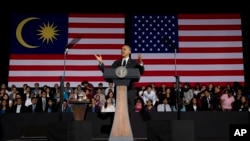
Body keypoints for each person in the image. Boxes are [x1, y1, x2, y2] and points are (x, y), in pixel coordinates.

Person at [94, 45, 145, 113]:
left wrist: (140, 63)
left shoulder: (134, 63)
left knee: (129, 112)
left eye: (124, 49)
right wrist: (101, 63)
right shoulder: (117, 63)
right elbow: (108, 73)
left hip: (129, 91)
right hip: (118, 91)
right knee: (119, 111)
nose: (122, 50)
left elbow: (141, 71)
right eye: (121, 49)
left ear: (129, 52)